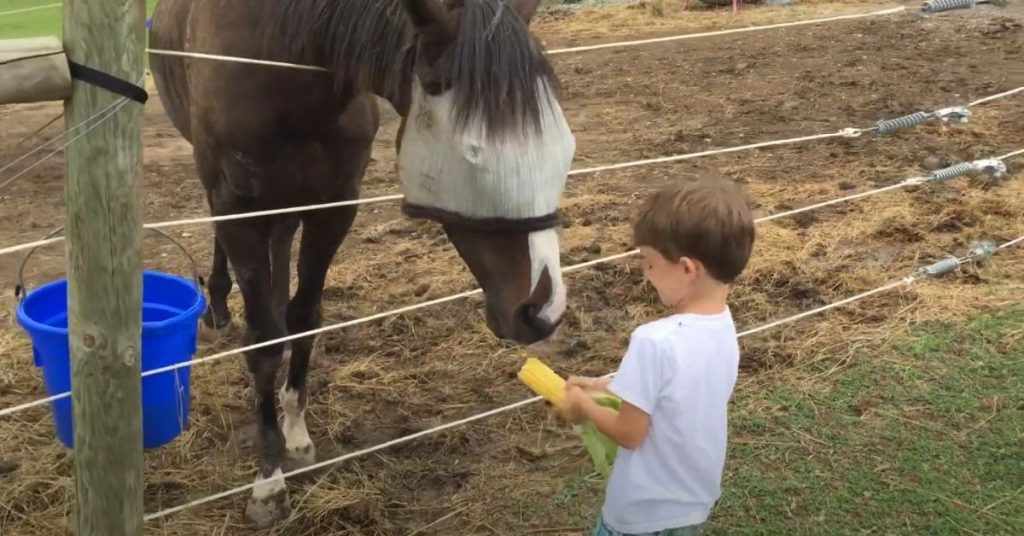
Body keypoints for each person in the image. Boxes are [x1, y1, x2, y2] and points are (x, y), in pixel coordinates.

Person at [556, 172, 756, 536]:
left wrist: (583, 407)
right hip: (691, 505)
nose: (645, 275)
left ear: (687, 268)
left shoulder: (654, 341)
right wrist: (605, 385)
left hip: (640, 514)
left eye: (648, 262)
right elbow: (676, 393)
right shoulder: (724, 327)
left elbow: (629, 433)